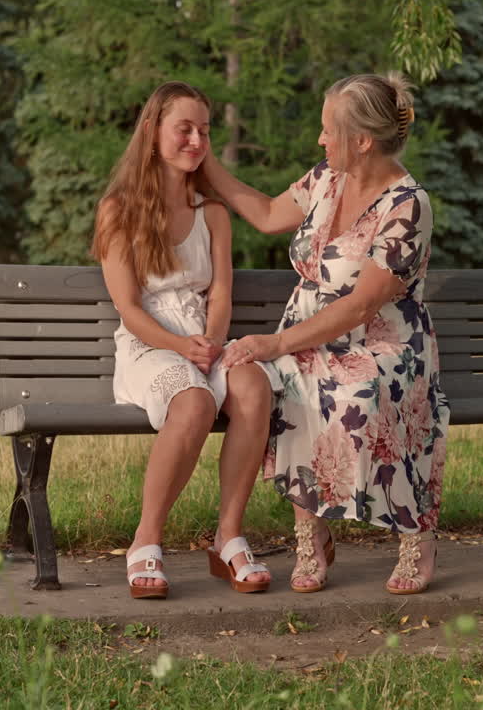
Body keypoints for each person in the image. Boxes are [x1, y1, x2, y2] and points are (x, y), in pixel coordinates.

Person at [206, 73, 449, 595]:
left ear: (362, 140)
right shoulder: (326, 179)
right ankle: (310, 535)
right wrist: (208, 167)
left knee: (352, 386)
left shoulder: (408, 205)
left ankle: (416, 536)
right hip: (307, 339)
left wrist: (275, 343)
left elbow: (362, 304)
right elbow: (269, 214)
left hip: (383, 345)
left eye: (327, 131)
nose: (320, 140)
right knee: (281, 382)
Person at [93, 81, 273, 599]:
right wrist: (181, 348)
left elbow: (220, 295)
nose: (196, 140)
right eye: (185, 128)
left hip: (203, 340)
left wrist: (213, 341)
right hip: (150, 345)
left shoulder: (212, 213)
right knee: (193, 403)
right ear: (152, 132)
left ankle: (228, 537)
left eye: (205, 130)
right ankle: (146, 540)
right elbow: (129, 308)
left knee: (253, 386)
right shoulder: (119, 210)